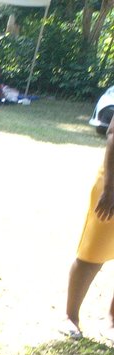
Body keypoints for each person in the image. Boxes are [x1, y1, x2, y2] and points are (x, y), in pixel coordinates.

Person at [63, 123, 114, 342]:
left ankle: (113, 320)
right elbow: (112, 133)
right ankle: (70, 316)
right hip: (112, 186)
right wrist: (110, 188)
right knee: (91, 253)